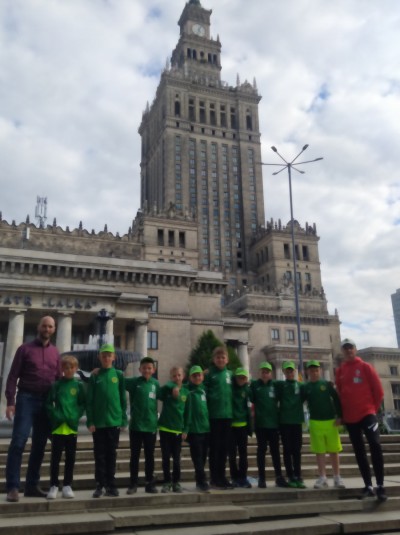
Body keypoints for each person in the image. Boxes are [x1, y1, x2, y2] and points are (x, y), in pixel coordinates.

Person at [5, 315, 61, 502]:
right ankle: (13, 487)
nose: (47, 329)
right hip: (26, 399)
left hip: (46, 402)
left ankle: (31, 486)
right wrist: (10, 401)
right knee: (19, 442)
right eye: (44, 325)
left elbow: (59, 381)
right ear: (39, 327)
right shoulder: (24, 349)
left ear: (54, 329)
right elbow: (13, 376)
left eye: (50, 326)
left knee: (39, 445)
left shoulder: (55, 353)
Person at [335, 338, 386, 501]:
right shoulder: (340, 371)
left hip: (367, 414)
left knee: (375, 444)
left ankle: (380, 485)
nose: (348, 350)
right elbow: (340, 394)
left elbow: (378, 391)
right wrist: (342, 415)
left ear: (355, 349)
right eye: (345, 348)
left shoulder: (365, 367)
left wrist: (372, 409)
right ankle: (368, 486)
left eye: (351, 348)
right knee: (359, 451)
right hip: (350, 417)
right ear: (342, 351)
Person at [86, 343, 127, 498]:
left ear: (114, 357)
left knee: (111, 454)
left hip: (114, 422)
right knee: (99, 454)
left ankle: (111, 484)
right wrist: (90, 421)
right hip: (98, 423)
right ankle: (99, 485)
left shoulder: (119, 375)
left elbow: (123, 398)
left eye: (109, 355)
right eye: (104, 355)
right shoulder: (95, 376)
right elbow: (89, 400)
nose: (106, 358)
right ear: (99, 357)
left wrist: (123, 419)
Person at [45, 355, 86, 499]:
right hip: (58, 427)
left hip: (71, 427)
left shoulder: (79, 385)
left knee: (70, 457)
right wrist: (55, 415)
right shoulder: (56, 385)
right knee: (55, 458)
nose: (68, 370)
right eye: (66, 368)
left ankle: (67, 485)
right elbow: (49, 403)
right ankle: (54, 485)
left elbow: (82, 404)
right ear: (61, 369)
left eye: (71, 368)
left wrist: (75, 415)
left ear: (76, 369)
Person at [303, 360, 345, 490]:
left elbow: (337, 400)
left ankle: (337, 477)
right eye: (311, 370)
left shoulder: (327, 385)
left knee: (334, 450)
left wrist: (340, 416)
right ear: (307, 372)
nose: (314, 373)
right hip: (315, 422)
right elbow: (298, 401)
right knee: (319, 452)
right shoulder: (306, 387)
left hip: (330, 422)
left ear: (320, 371)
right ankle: (323, 477)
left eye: (316, 370)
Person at [249, 362, 288, 488]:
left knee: (275, 451)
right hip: (261, 424)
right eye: (263, 372)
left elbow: (289, 384)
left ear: (271, 373)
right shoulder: (255, 385)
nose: (265, 374)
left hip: (273, 424)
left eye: (267, 372)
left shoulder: (276, 385)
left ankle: (278, 477)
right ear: (260, 373)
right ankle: (262, 478)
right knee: (261, 451)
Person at [125, 356, 160, 494]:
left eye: (149, 368)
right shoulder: (134, 382)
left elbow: (166, 394)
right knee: (134, 456)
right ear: (140, 369)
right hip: (136, 426)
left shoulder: (156, 384)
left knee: (149, 456)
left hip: (151, 426)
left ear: (153, 369)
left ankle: (149, 483)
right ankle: (133, 483)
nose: (146, 370)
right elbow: (118, 380)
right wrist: (100, 370)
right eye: (144, 368)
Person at [203, 346, 234, 489]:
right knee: (214, 448)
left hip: (227, 416)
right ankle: (214, 478)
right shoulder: (209, 375)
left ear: (227, 360)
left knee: (224, 449)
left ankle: (222, 476)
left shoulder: (231, 375)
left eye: (223, 357)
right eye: (218, 357)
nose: (220, 360)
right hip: (214, 417)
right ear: (213, 359)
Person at [158, 366, 189, 493]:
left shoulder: (186, 392)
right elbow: (158, 394)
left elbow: (188, 413)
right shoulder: (167, 391)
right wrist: (171, 386)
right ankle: (167, 482)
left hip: (178, 430)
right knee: (165, 458)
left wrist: (185, 429)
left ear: (183, 376)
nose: (177, 378)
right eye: (174, 376)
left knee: (176, 459)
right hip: (165, 429)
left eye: (179, 375)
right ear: (171, 378)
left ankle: (176, 482)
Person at [277, 361, 306, 488]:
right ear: (283, 372)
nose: (290, 373)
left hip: (296, 421)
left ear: (295, 371)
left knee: (297, 450)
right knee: (287, 449)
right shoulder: (281, 385)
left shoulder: (300, 386)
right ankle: (290, 475)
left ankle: (298, 474)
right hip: (284, 422)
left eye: (291, 370)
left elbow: (305, 397)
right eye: (287, 371)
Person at [184, 365, 210, 492]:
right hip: (194, 430)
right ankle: (201, 480)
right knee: (197, 457)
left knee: (204, 456)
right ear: (190, 378)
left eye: (199, 375)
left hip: (206, 429)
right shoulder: (188, 390)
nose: (197, 377)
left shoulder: (204, 390)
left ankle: (199, 478)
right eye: (194, 375)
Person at [229, 368, 252, 488]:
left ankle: (243, 477)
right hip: (232, 426)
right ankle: (234, 477)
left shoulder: (247, 390)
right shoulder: (231, 389)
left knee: (243, 454)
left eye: (243, 377)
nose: (241, 380)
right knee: (232, 454)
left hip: (243, 426)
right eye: (239, 377)